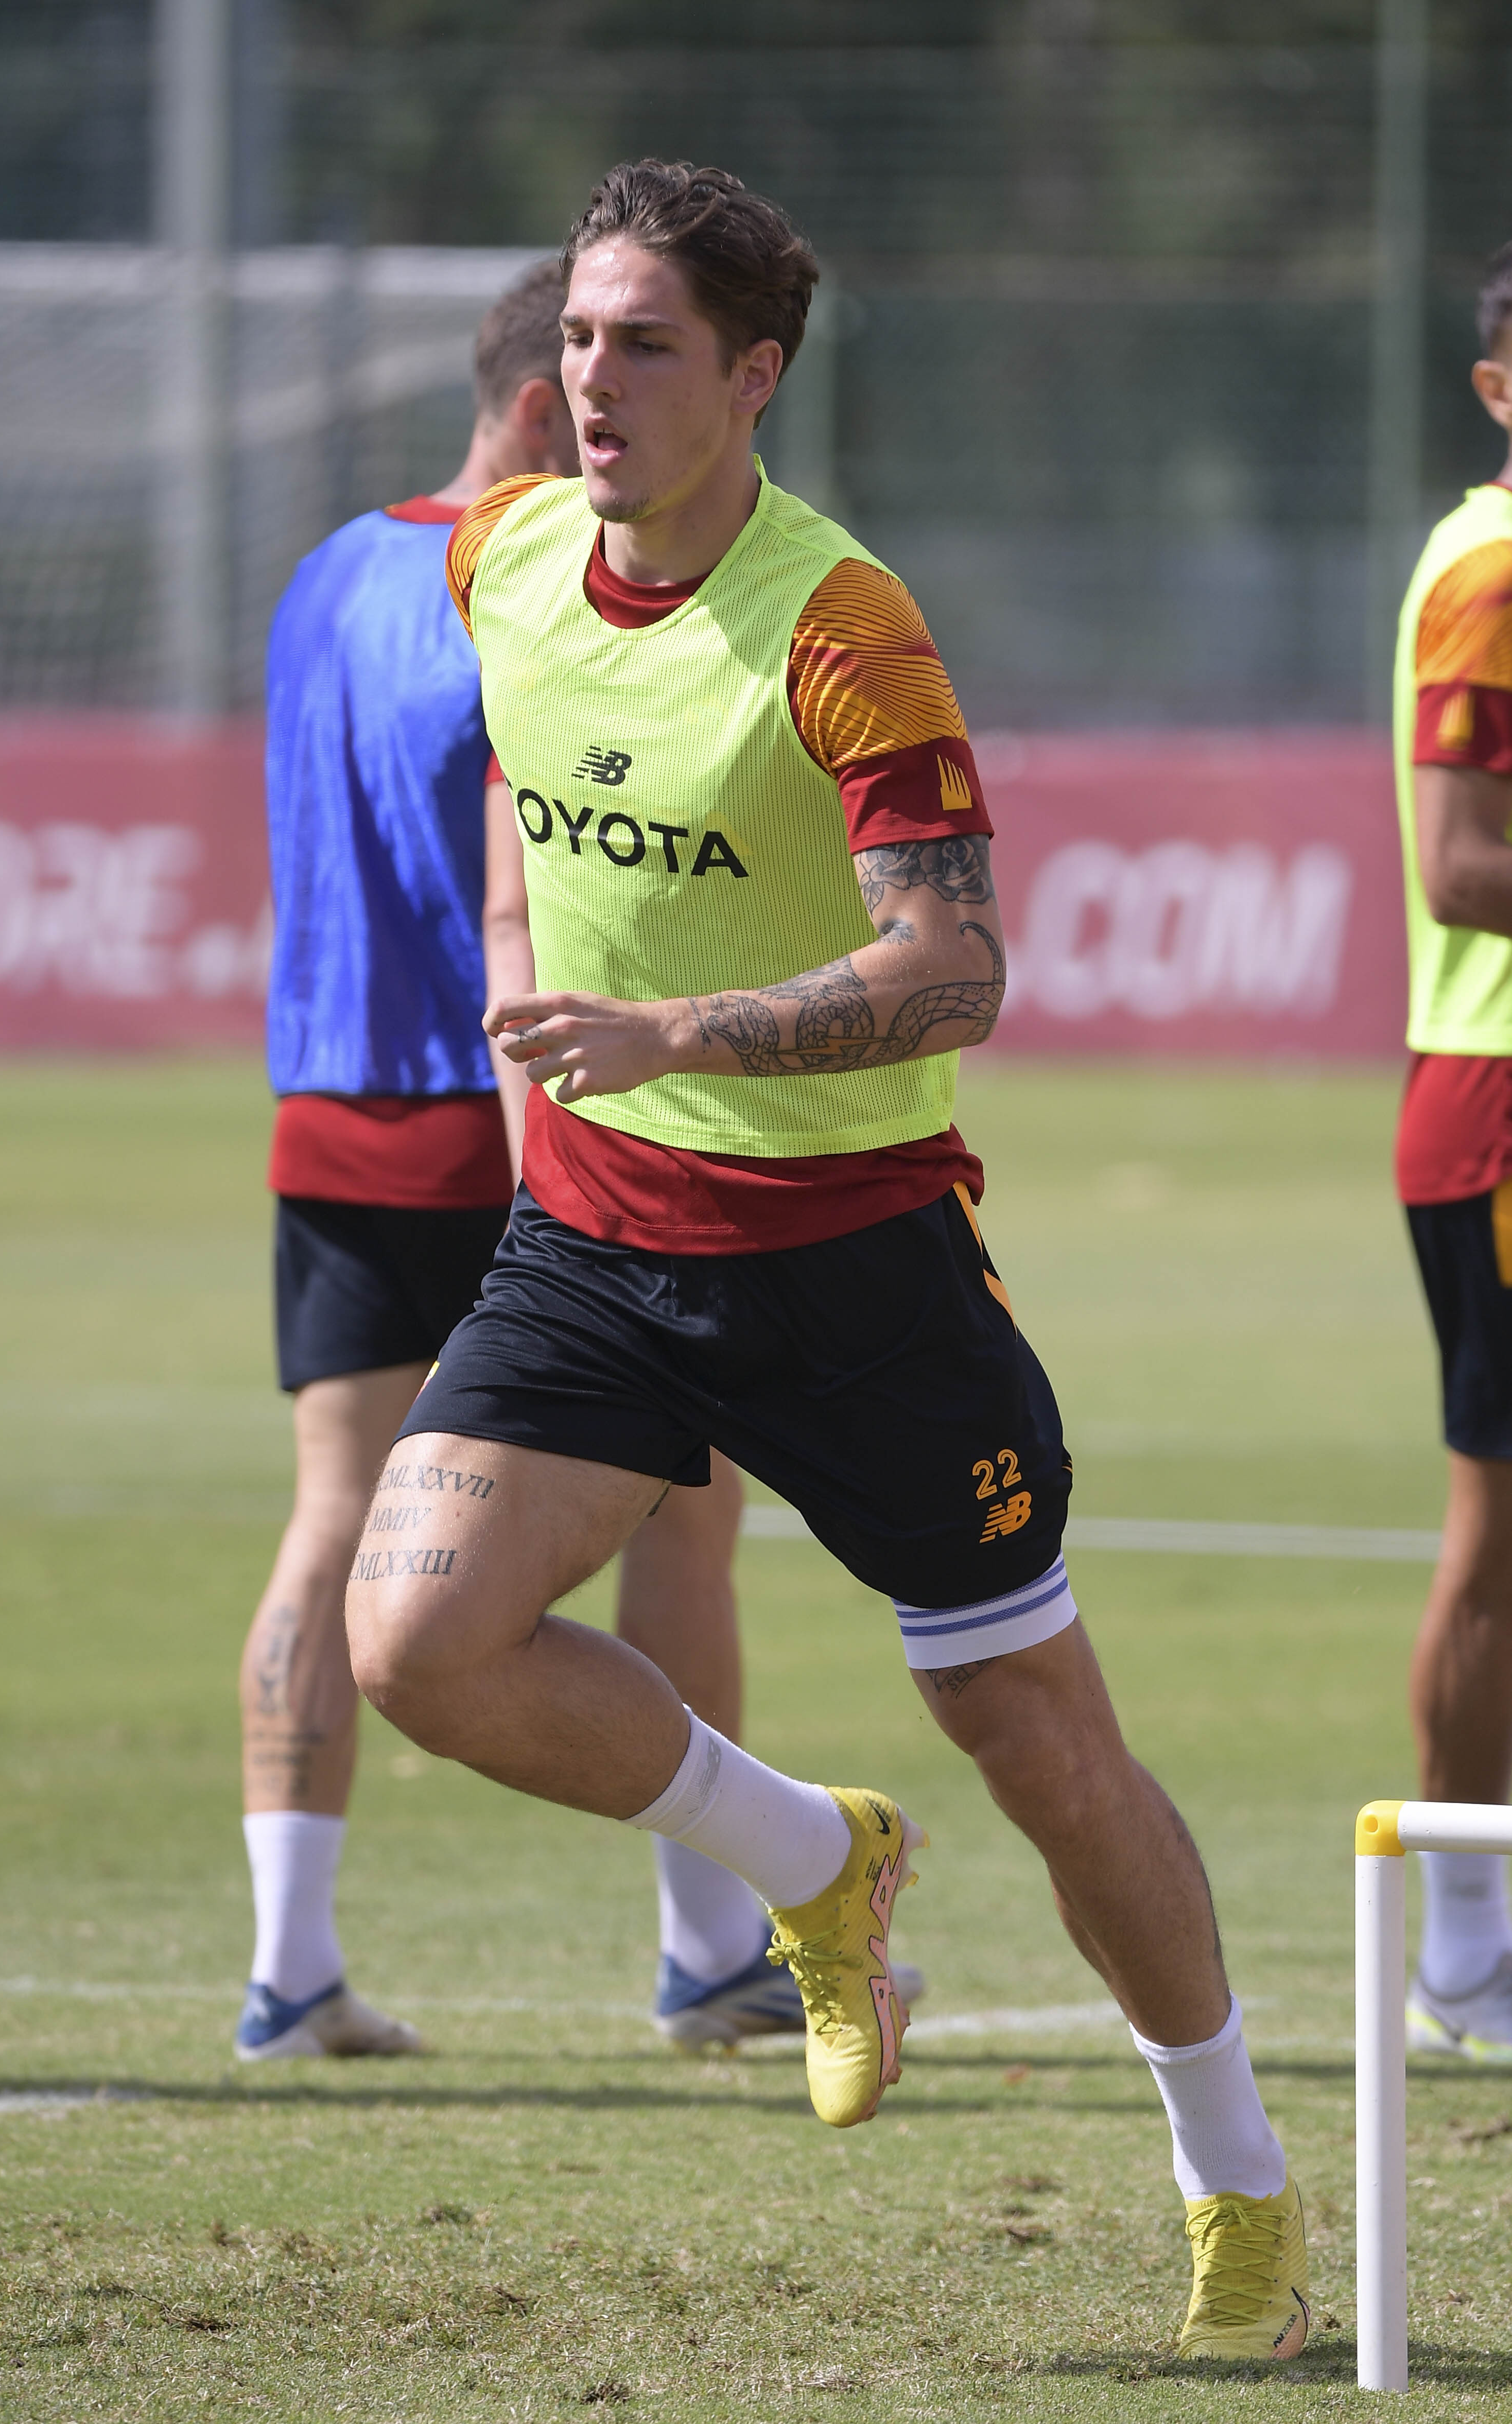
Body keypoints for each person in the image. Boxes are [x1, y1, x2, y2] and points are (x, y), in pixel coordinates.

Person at [343, 160, 1307, 2360]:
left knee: (1038, 1743)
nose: (588, 380)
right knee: (414, 1639)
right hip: (593, 1239)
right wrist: (542, 979)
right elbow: (527, 768)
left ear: (751, 375)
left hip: (855, 1265)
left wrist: (674, 1021)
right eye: (577, 337)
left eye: (644, 344)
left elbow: (955, 963)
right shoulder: (498, 559)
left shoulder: (837, 619)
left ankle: (1233, 2173)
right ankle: (808, 1863)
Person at [238, 259, 806, 2061]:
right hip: (507, 1109)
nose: (615, 400)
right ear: (541, 392)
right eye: (599, 361)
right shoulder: (531, 588)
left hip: (323, 1096)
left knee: (334, 1518)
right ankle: (713, 1941)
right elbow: (528, 892)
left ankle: (288, 1962)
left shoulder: (332, 566)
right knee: (691, 1508)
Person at [1394, 241, 1512, 2065]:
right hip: (1498, 1105)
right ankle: (1465, 1957)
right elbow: (1460, 859)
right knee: (1498, 1539)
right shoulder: (1492, 562)